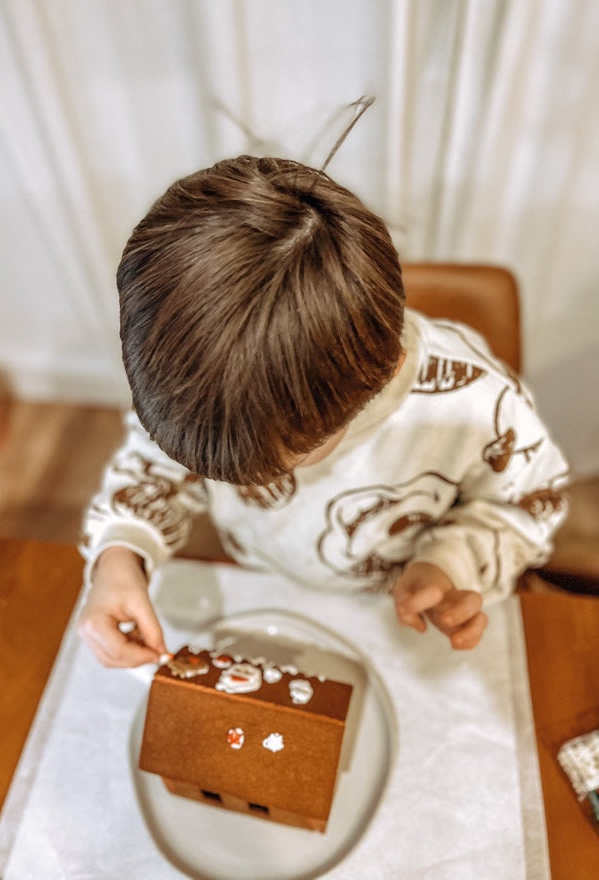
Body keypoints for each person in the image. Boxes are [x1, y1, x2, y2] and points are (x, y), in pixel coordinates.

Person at [77, 155, 568, 668]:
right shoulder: (201, 382)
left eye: (277, 462)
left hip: (391, 613)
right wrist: (120, 553)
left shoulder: (476, 405)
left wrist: (450, 563)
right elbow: (154, 469)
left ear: (371, 383)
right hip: (265, 582)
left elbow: (525, 508)